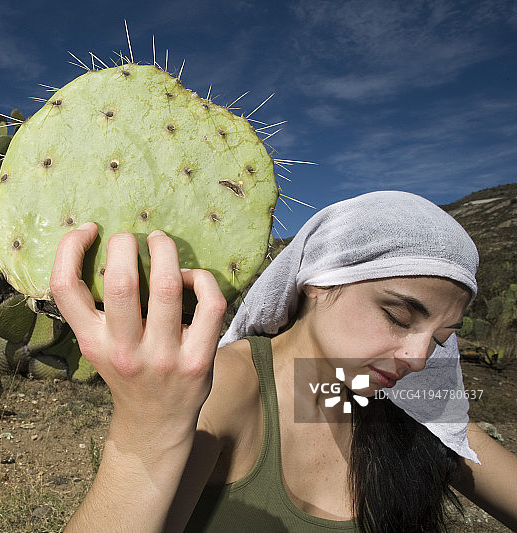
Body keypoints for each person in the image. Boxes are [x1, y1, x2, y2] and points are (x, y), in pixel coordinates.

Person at [51, 191, 517, 532]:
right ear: (320, 279)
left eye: (441, 338)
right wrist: (148, 423)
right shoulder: (226, 387)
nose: (417, 359)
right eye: (397, 316)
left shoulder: (415, 411)